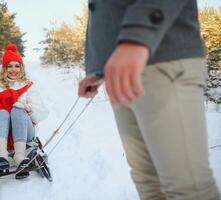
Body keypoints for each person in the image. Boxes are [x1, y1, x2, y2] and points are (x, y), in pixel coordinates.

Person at [78, 0, 220, 199]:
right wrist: (99, 66)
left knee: (188, 188)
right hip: (122, 71)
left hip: (164, 56)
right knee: (147, 182)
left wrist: (136, 38)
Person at [0, 44, 48, 178]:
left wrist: (28, 109)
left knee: (17, 109)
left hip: (25, 133)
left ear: (21, 68)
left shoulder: (28, 86)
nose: (13, 70)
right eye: (9, 66)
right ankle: (1, 157)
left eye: (17, 66)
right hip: (0, 133)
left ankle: (20, 156)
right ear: (4, 68)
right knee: (2, 112)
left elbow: (42, 112)